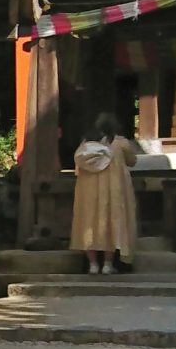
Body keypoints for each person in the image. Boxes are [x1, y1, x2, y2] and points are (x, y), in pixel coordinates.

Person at [71, 111, 139, 274]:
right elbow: (132, 161)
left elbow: (78, 168)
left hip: (88, 192)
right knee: (112, 223)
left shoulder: (86, 145)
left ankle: (93, 264)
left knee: (88, 223)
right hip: (113, 190)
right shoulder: (120, 144)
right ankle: (108, 264)